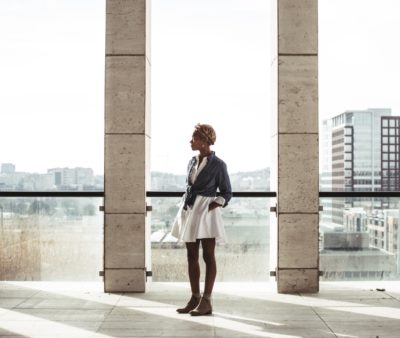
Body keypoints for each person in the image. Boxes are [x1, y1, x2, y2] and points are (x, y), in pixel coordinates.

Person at [171, 123, 232, 316]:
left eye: (194, 138)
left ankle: (207, 300)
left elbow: (226, 192)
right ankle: (195, 297)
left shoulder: (219, 164)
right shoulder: (191, 161)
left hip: (206, 214)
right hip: (190, 210)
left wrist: (214, 205)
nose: (191, 141)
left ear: (205, 141)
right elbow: (190, 186)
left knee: (208, 256)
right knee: (191, 255)